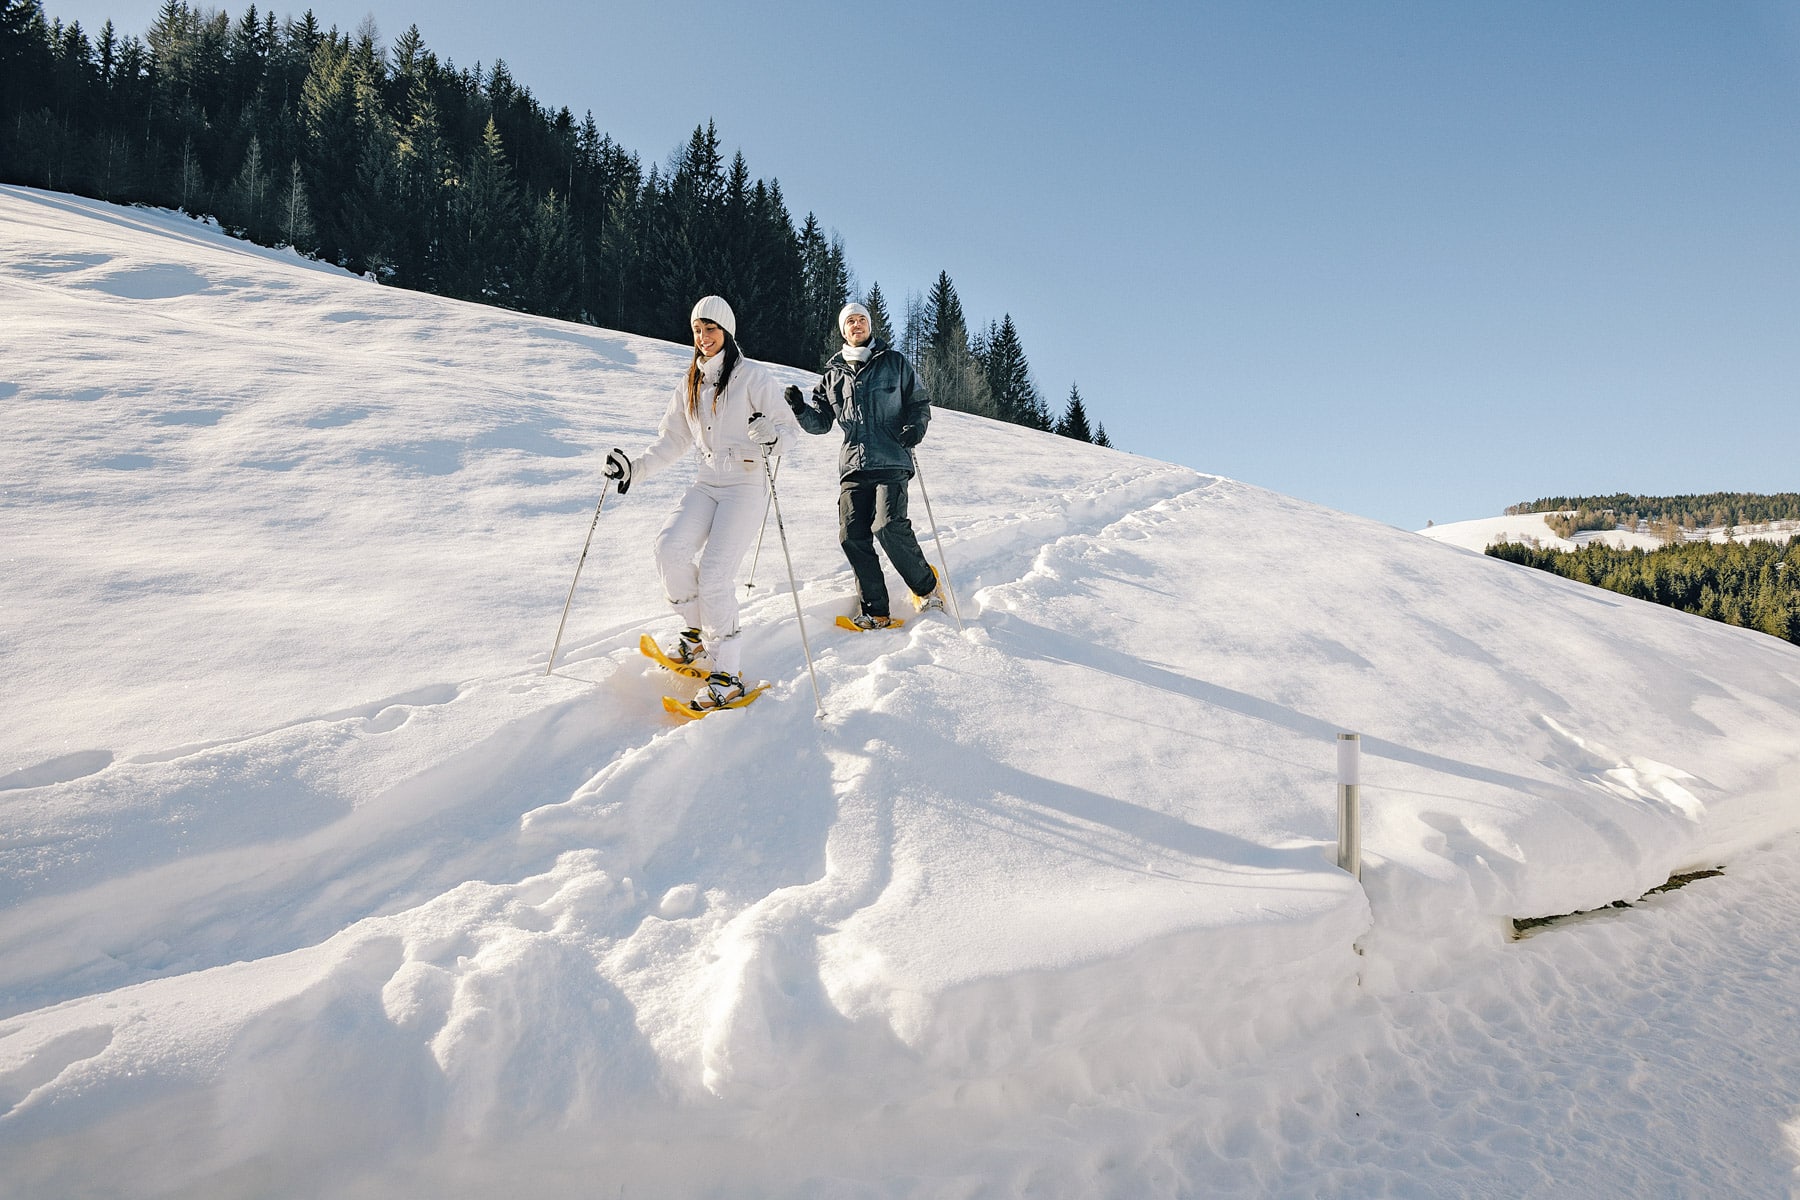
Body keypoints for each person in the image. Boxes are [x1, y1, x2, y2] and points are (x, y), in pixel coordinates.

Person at [604, 295, 799, 710]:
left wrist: (772, 435)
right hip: (707, 481)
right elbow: (673, 440)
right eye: (697, 330)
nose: (703, 337)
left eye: (710, 329)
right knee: (669, 549)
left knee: (714, 573)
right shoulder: (690, 381)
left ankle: (727, 673)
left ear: (726, 332)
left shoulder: (752, 377)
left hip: (744, 484)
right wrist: (633, 470)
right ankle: (694, 637)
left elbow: (789, 432)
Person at [785, 301, 945, 629]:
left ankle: (927, 589)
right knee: (852, 534)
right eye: (850, 322)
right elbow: (821, 423)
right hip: (854, 467)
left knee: (888, 526)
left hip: (891, 458)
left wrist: (915, 428)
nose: (856, 326)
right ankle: (876, 610)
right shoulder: (832, 376)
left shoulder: (894, 363)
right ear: (842, 331)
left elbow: (919, 403)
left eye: (861, 320)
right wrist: (801, 409)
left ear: (870, 326)